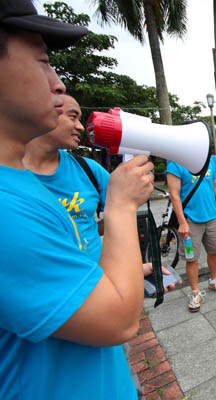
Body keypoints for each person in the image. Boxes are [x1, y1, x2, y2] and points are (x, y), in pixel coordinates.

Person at [0, 2, 155, 398]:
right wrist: (121, 206)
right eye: (42, 61)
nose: (58, 83)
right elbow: (121, 320)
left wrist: (119, 266)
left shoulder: (21, 184)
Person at [23, 93, 179, 398]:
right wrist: (121, 205)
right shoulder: (15, 189)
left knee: (115, 364)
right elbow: (121, 323)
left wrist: (130, 270)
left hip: (100, 291)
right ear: (45, 109)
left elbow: (108, 227)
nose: (80, 126)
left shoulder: (86, 170)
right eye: (72, 115)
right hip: (73, 314)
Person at [167, 155, 216, 313]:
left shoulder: (207, 160)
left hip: (211, 217)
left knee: (215, 251)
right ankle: (195, 292)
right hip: (190, 220)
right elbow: (174, 195)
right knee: (192, 258)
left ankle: (214, 280)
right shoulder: (176, 163)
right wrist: (182, 222)